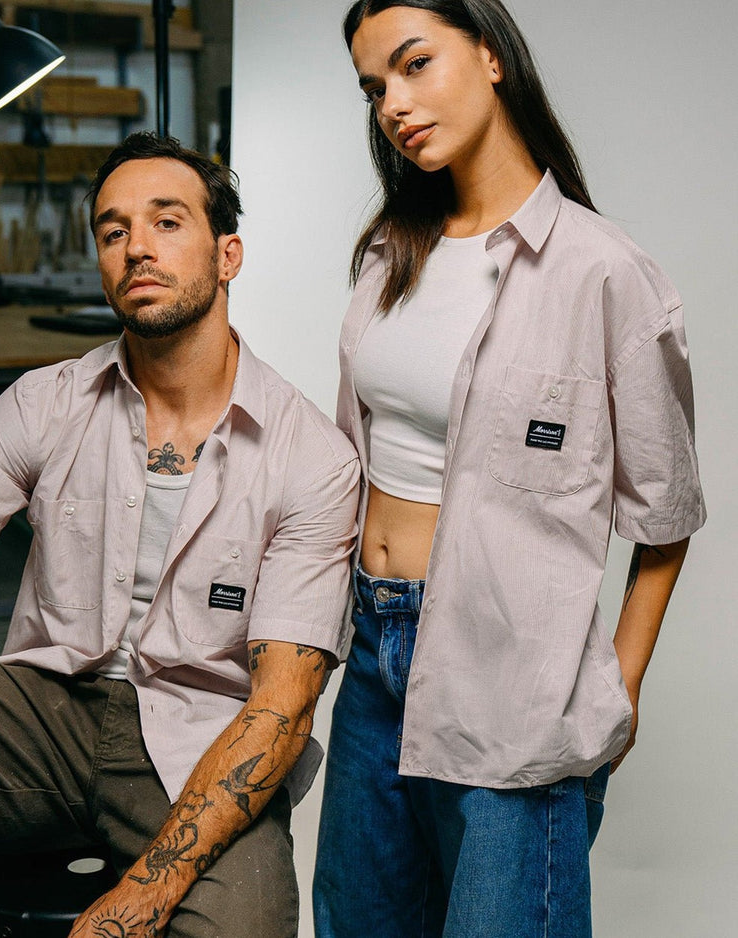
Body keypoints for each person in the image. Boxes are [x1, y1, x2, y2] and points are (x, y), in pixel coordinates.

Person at [313, 2, 706, 936]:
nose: (394, 106)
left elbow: (666, 516)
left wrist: (620, 687)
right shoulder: (386, 256)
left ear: (491, 56)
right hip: (371, 657)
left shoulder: (606, 275)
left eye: (414, 65)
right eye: (375, 88)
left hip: (513, 685)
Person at [0, 132, 359, 938]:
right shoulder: (43, 403)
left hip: (201, 744)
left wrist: (145, 893)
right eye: (114, 231)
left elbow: (280, 712)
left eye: (166, 223)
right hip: (43, 714)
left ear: (228, 255)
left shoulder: (312, 459)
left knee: (244, 929)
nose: (136, 249)